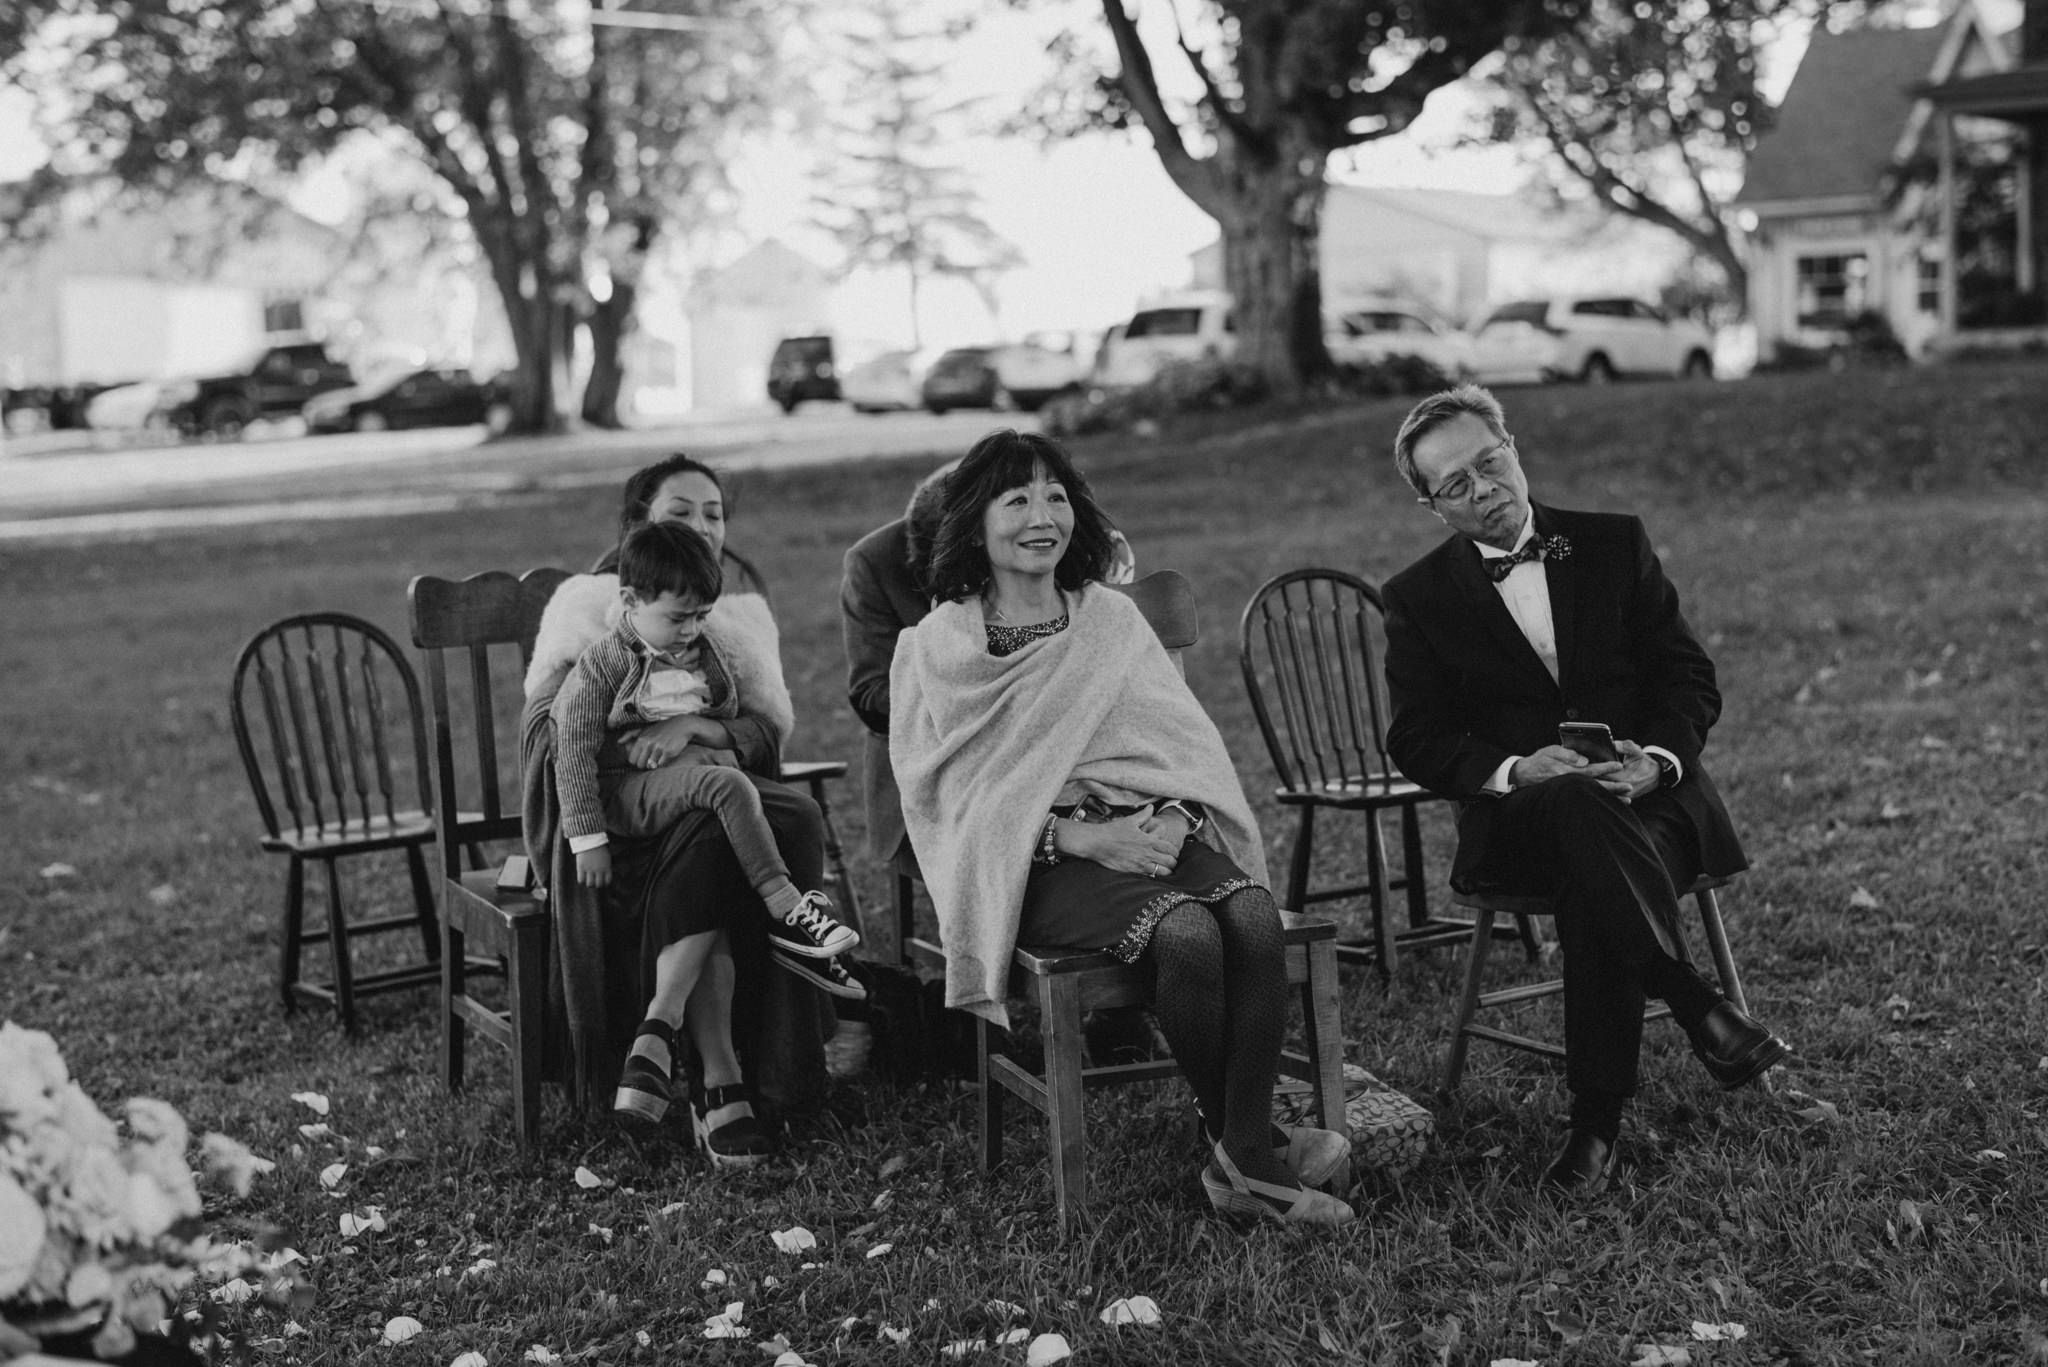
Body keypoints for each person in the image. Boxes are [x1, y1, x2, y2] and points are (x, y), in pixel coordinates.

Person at [889, 428, 1353, 1227]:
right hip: (1035, 863)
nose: (1043, 515)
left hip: (1153, 829)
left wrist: (1173, 816)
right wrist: (1077, 837)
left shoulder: (1108, 620)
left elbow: (1182, 742)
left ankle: (1241, 1150)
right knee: (1186, 935)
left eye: (1057, 496)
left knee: (1249, 916)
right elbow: (947, 794)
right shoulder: (940, 647)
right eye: (1018, 498)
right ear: (975, 521)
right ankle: (1259, 1161)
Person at [1378, 384, 1791, 1195]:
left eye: (1488, 464)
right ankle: (1693, 998)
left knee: (1593, 867)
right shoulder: (1417, 597)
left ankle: (1594, 1129)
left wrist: (1657, 762)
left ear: (1514, 450)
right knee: (1572, 812)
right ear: (1432, 507)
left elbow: (1689, 679)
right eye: (1454, 485)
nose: (1483, 490)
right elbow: (1415, 737)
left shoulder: (1611, 543)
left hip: (1656, 809)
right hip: (1526, 819)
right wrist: (1516, 769)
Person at [521, 454, 835, 1168]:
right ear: (638, 527)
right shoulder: (588, 611)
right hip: (618, 818)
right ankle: (719, 1076)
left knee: (783, 817)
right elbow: (552, 734)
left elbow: (762, 730)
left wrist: (702, 732)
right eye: (681, 511)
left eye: (715, 513)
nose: (703, 525)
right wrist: (633, 756)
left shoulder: (732, 621)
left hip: (705, 788)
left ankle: (667, 1041)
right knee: (716, 825)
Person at [843, 462, 1152, 1063]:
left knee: (1122, 808)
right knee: (999, 834)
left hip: (1063, 760)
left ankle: (1121, 1003)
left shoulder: (1043, 555)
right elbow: (868, 695)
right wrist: (963, 694)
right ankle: (981, 1007)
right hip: (940, 777)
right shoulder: (873, 563)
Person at [551, 519, 863, 1004]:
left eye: (701, 616)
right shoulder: (603, 663)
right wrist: (586, 838)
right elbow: (571, 748)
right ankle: (787, 908)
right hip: (627, 787)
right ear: (631, 601)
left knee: (799, 811)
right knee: (728, 787)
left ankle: (799, 952)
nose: (690, 629)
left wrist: (700, 737)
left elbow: (734, 710)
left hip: (688, 769)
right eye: (678, 618)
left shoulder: (704, 649)